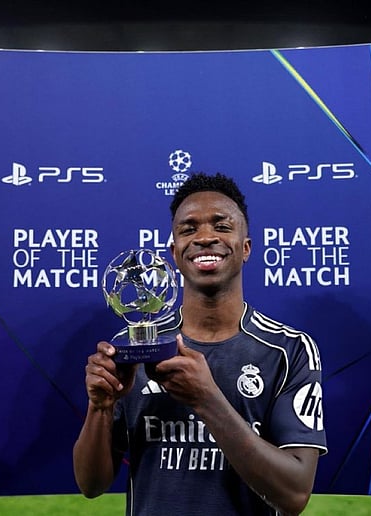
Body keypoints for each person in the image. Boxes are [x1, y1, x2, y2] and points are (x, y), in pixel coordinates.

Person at [73, 172, 327, 515]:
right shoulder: (135, 347)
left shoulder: (289, 350)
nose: (205, 237)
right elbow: (91, 485)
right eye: (188, 229)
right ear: (174, 253)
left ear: (246, 248)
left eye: (221, 226)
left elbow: (294, 494)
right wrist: (100, 407)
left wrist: (206, 399)